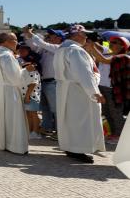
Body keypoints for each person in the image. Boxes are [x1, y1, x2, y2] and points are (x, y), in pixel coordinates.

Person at [54, 24, 105, 163]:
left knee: (69, 119)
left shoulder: (61, 49)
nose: (86, 37)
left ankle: (70, 147)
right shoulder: (76, 51)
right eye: (84, 35)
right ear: (76, 35)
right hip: (79, 90)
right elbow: (84, 74)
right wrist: (95, 92)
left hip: (65, 88)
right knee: (80, 119)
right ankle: (78, 149)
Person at [0, 33, 32, 154]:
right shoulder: (7, 56)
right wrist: (26, 70)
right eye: (13, 40)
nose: (16, 42)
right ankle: (14, 144)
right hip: (10, 90)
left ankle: (1, 140)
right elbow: (15, 78)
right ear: (5, 42)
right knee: (13, 116)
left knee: (2, 115)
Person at [86, 36, 130, 142]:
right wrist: (93, 43)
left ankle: (121, 136)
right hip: (103, 87)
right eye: (111, 42)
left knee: (116, 113)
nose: (111, 44)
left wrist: (92, 46)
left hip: (115, 90)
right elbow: (100, 51)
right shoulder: (109, 54)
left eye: (114, 42)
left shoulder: (123, 56)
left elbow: (103, 60)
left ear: (122, 46)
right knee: (107, 112)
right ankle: (115, 133)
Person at [23, 26, 64, 137]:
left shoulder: (58, 47)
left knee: (56, 109)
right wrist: (28, 36)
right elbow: (33, 47)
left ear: (59, 38)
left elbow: (42, 44)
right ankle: (47, 128)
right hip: (43, 81)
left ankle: (60, 131)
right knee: (45, 108)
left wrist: (31, 34)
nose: (49, 37)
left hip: (52, 82)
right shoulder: (45, 48)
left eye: (53, 36)